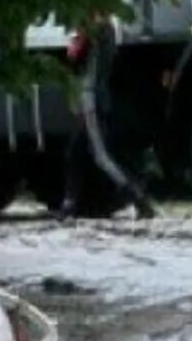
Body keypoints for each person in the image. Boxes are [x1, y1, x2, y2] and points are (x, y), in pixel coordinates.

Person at [59, 16, 157, 221]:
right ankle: (68, 205)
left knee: (100, 155)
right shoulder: (109, 27)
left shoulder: (93, 27)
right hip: (95, 94)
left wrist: (76, 39)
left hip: (89, 96)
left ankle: (138, 199)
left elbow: (73, 55)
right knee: (75, 151)